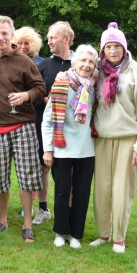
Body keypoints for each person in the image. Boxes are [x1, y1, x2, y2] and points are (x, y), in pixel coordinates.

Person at [0, 16, 46, 243]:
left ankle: (27, 223)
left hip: (23, 126)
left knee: (27, 177)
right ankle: (3, 219)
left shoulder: (24, 61)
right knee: (0, 178)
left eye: (4, 33)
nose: (0, 37)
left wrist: (27, 95)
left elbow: (40, 87)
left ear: (12, 34)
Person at [90, 22, 137, 253]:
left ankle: (119, 237)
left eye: (117, 46)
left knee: (122, 189)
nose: (113, 51)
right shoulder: (97, 71)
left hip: (129, 139)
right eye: (109, 47)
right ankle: (104, 234)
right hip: (102, 138)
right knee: (102, 189)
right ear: (103, 50)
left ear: (124, 48)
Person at [41, 44, 98, 248]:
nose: (87, 65)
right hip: (62, 146)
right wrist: (48, 149)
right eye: (83, 60)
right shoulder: (62, 83)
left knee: (82, 192)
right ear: (74, 62)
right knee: (63, 191)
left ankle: (76, 234)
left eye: (91, 61)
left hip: (87, 148)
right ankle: (61, 231)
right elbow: (47, 120)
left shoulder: (95, 86)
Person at [32, 21, 76, 224]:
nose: (49, 41)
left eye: (53, 37)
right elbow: (36, 90)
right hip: (46, 125)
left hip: (73, 128)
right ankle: (43, 208)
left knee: (69, 171)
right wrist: (45, 99)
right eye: (48, 38)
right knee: (44, 166)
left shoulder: (79, 64)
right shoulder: (44, 65)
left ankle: (67, 210)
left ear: (66, 39)